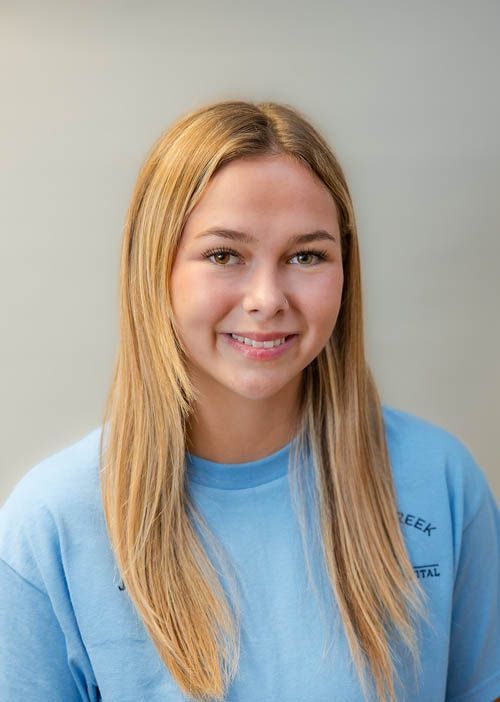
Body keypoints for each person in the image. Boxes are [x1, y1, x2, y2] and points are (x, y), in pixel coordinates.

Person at [0, 99, 498, 702]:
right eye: (223, 255)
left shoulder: (441, 482)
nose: (267, 298)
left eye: (306, 256)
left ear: (345, 272)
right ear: (153, 269)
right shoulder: (51, 526)